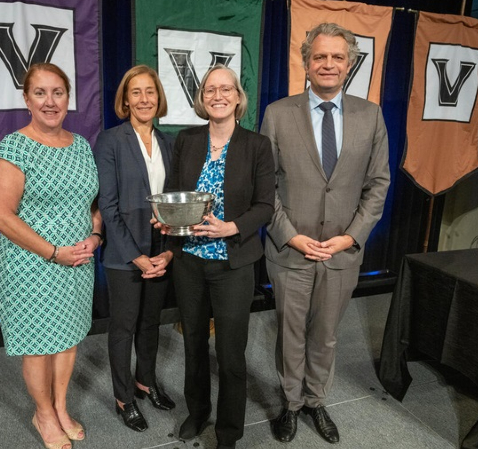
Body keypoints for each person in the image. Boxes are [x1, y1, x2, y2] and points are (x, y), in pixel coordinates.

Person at [261, 23, 390, 444]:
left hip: (341, 251)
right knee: (291, 331)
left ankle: (316, 402)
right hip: (291, 250)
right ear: (306, 62)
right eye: (320, 56)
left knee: (327, 333)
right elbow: (265, 187)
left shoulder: (370, 115)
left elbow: (378, 184)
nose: (328, 64)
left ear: (349, 64)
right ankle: (290, 404)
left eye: (337, 57)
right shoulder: (278, 114)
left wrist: (352, 237)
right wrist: (288, 234)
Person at [0, 63, 101, 449]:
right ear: (26, 98)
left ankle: (60, 406)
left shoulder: (83, 145)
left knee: (67, 340)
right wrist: (54, 253)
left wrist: (96, 235)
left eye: (58, 93)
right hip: (30, 267)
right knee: (39, 346)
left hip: (77, 265)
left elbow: (92, 205)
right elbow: (0, 215)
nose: (50, 102)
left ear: (69, 98)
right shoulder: (14, 147)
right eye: (41, 93)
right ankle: (43, 413)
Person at [163, 65, 275, 449]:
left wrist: (232, 227)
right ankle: (197, 414)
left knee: (230, 353)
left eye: (226, 88)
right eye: (210, 89)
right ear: (201, 97)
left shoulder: (257, 145)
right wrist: (166, 220)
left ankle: (229, 432)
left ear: (238, 96)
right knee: (193, 343)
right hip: (189, 261)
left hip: (233, 263)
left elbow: (265, 206)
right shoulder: (187, 140)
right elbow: (173, 193)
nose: (218, 95)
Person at [93, 65, 176, 433]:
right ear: (125, 100)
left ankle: (146, 382)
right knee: (124, 328)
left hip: (160, 249)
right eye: (136, 92)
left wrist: (168, 252)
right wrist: (136, 256)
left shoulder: (170, 142)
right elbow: (107, 206)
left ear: (159, 98)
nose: (144, 99)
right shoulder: (110, 140)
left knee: (150, 324)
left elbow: (176, 206)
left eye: (150, 91)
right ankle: (124, 397)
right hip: (125, 254)